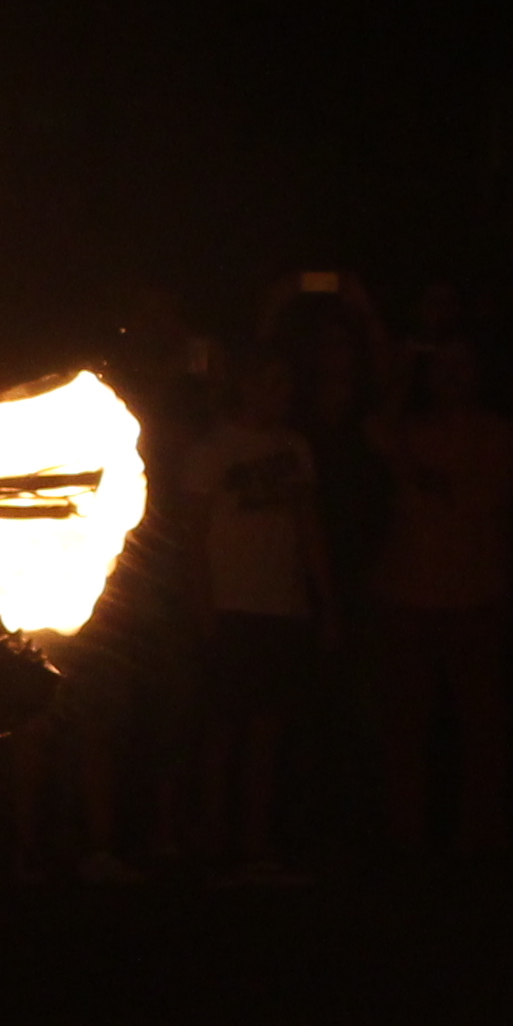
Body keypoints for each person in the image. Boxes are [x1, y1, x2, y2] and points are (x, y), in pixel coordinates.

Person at [166, 354, 333, 880]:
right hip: (230, 604)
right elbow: (192, 540)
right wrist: (203, 609)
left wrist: (325, 600)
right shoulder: (210, 451)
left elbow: (309, 527)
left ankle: (255, 842)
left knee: (268, 728)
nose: (284, 391)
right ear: (247, 385)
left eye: (287, 381)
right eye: (273, 380)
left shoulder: (294, 449)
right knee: (224, 727)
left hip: (282, 603)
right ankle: (214, 838)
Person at [365, 339, 513, 852]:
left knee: (482, 727)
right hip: (407, 595)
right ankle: (404, 831)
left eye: (461, 366)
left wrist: (411, 471)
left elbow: (479, 499)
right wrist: (404, 370)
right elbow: (374, 430)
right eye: (442, 367)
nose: (451, 377)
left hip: (474, 595)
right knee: (404, 725)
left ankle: (480, 832)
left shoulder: (498, 434)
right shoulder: (410, 429)